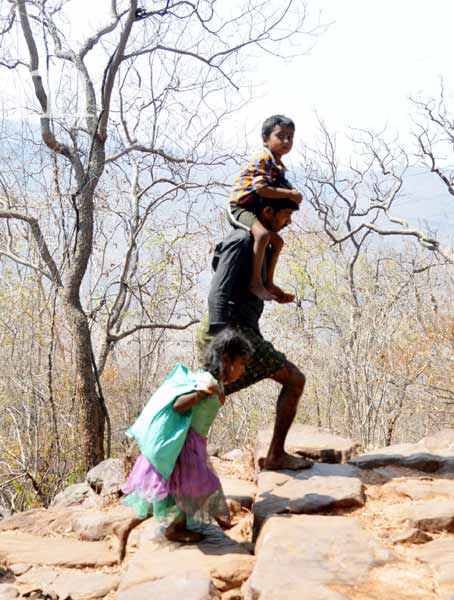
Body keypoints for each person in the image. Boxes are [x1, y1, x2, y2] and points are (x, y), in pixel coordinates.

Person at [199, 196, 312, 472]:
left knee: (204, 397)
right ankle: (275, 456)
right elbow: (218, 294)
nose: (289, 222)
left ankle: (156, 457)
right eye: (286, 216)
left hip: (241, 332)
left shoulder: (260, 245)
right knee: (203, 397)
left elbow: (250, 286)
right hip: (229, 333)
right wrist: (222, 345)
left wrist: (274, 292)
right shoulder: (241, 242)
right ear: (267, 211)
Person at [119, 328, 253, 543]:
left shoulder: (215, 382)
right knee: (195, 486)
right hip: (184, 446)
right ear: (226, 360)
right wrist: (202, 393)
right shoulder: (204, 381)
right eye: (241, 364)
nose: (243, 370)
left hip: (194, 443)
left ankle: (180, 526)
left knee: (184, 489)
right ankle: (132, 528)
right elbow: (178, 406)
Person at [228, 114, 302, 303]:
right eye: (280, 136)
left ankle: (268, 282)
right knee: (262, 235)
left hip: (255, 210)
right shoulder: (263, 159)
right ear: (265, 140)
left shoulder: (279, 166)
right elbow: (260, 189)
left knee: (277, 242)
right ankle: (255, 282)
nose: (286, 141)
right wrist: (288, 194)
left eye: (290, 137)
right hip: (240, 207)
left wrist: (292, 195)